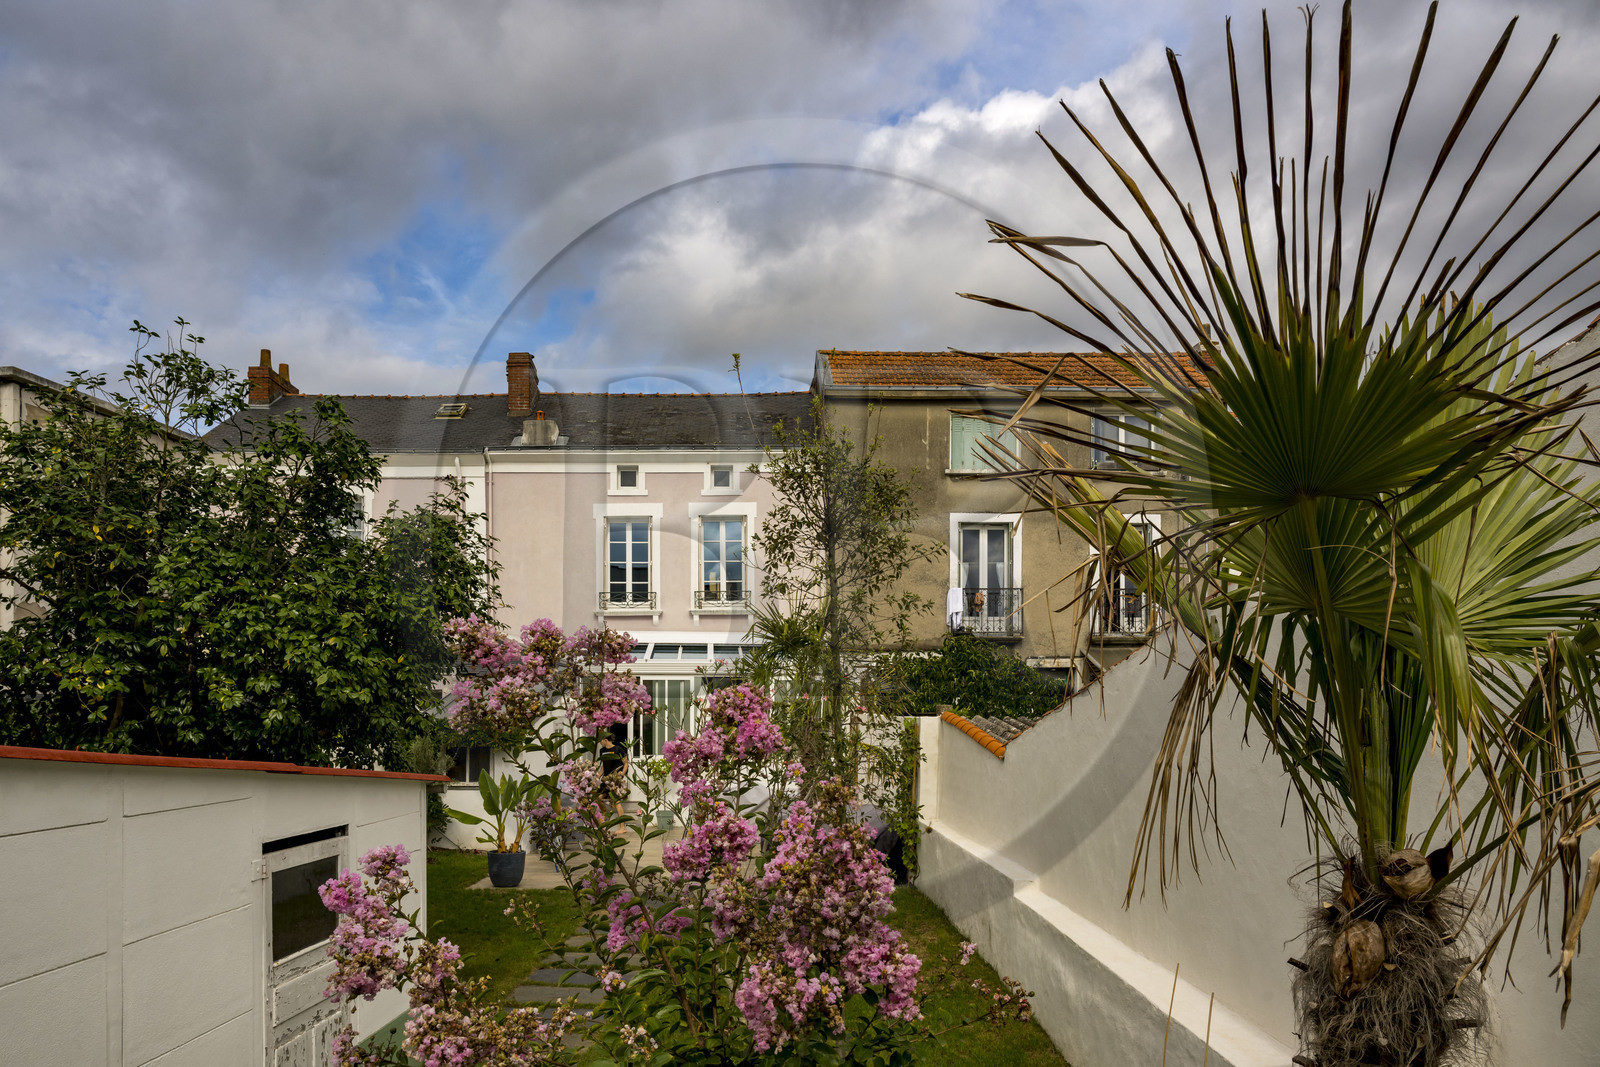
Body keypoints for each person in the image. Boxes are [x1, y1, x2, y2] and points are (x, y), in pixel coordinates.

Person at [598, 722, 629, 817]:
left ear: (605, 740)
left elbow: (626, 763)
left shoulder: (618, 749)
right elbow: (604, 765)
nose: (600, 743)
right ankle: (604, 811)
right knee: (598, 797)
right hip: (606, 780)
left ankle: (622, 824)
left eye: (601, 741)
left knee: (616, 801)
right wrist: (598, 776)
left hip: (615, 780)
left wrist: (622, 773)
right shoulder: (602, 751)